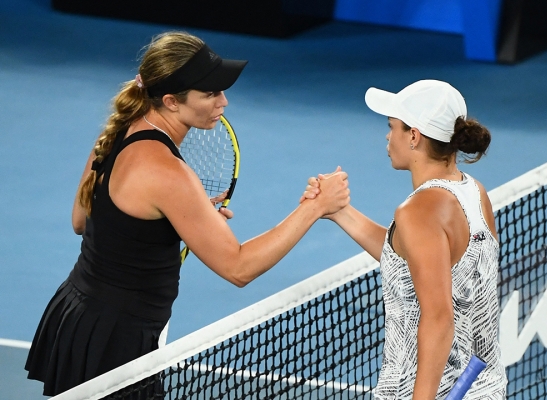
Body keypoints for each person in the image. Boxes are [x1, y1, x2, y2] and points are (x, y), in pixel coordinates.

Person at [25, 31, 350, 397]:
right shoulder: (168, 173)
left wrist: (173, 219)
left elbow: (81, 221)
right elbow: (239, 268)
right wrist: (315, 207)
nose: (224, 101)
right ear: (171, 102)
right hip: (116, 342)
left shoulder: (119, 131)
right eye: (210, 93)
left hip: (80, 316)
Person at [303, 80, 507, 399]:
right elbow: (417, 260)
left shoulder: (417, 212)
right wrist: (340, 211)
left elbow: (438, 320)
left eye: (392, 126)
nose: (388, 136)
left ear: (413, 136)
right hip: (486, 390)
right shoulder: (473, 191)